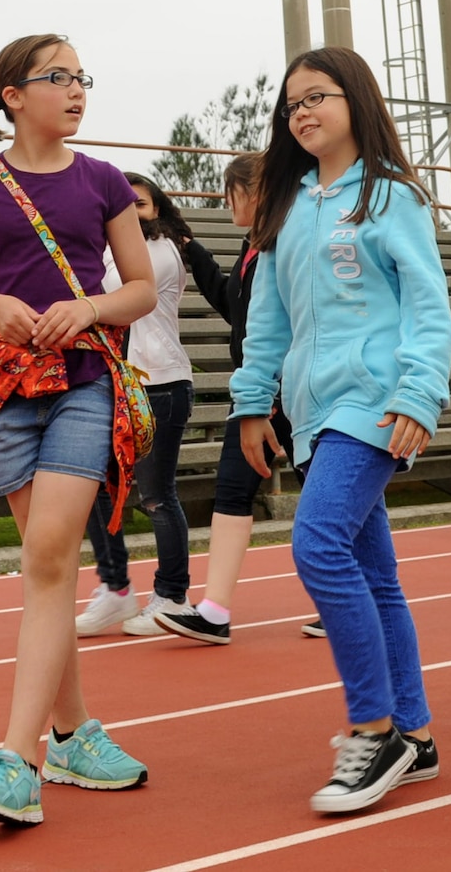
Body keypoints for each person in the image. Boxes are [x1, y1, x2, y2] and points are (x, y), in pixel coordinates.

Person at [0, 34, 156, 825]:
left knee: (51, 556)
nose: (75, 89)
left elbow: (141, 289)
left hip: (86, 382)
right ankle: (71, 732)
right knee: (47, 569)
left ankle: (17, 759)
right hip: (4, 386)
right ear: (12, 95)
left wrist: (89, 307)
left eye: (80, 77)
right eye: (56, 77)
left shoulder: (100, 181)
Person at [228, 46, 450, 814]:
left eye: (317, 96)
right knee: (375, 573)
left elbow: (428, 305)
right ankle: (415, 735)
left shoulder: (392, 197)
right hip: (315, 411)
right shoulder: (287, 206)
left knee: (316, 544)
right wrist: (253, 402)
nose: (303, 112)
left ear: (355, 100)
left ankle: (374, 726)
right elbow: (269, 316)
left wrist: (420, 396)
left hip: (375, 403)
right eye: (292, 104)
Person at [152, 154, 322, 644]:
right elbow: (235, 306)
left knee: (327, 494)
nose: (227, 202)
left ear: (258, 190)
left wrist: (270, 388)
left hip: (293, 390)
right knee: (231, 490)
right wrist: (195, 252)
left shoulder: (291, 238)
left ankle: (348, 598)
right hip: (258, 390)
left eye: (232, 192)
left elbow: (295, 319)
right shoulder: (255, 243)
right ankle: (214, 611)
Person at [75, 174, 201, 637]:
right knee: (93, 489)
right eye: (120, 207)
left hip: (160, 386)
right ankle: (116, 590)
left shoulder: (160, 249)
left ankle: (172, 595)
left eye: (139, 206)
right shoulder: (116, 247)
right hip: (116, 385)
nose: (129, 214)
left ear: (158, 209)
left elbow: (100, 290)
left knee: (155, 496)